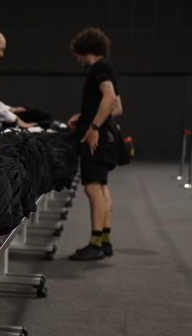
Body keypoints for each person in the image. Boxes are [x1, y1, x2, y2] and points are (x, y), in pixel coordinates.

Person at [67, 27, 125, 261]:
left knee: (92, 188)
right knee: (100, 187)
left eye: (78, 54)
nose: (78, 59)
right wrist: (86, 116)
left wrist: (93, 127)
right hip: (107, 136)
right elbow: (117, 108)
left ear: (86, 50)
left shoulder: (99, 67)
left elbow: (109, 99)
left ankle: (95, 244)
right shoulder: (108, 67)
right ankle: (105, 241)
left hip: (98, 138)